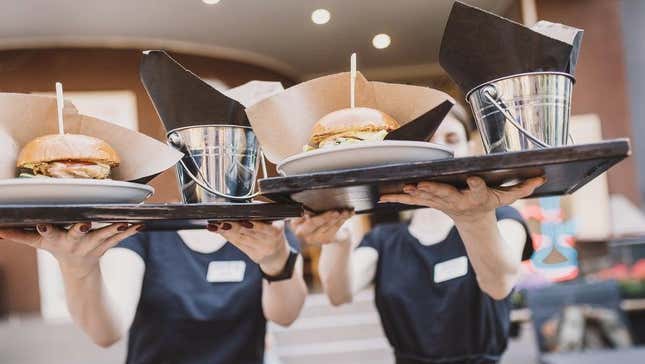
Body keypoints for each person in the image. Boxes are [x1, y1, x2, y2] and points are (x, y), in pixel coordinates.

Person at [291, 106, 543, 364]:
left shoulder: (501, 219)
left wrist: (473, 217)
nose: (440, 152)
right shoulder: (384, 240)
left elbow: (499, 284)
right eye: (428, 143)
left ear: (471, 146)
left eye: (452, 140)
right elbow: (339, 294)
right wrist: (337, 240)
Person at [0, 219, 307, 364]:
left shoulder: (269, 231)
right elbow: (106, 331)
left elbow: (284, 315)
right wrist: (78, 268)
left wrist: (274, 260)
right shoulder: (145, 230)